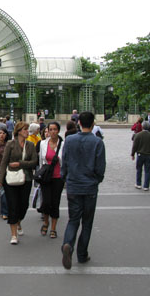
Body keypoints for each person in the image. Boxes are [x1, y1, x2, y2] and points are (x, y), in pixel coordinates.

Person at [61, 111, 106, 270]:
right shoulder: (97, 142)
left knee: (73, 219)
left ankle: (67, 244)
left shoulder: (70, 140)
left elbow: (64, 162)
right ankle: (81, 254)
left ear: (79, 123)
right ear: (93, 124)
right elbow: (100, 167)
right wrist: (96, 180)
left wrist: (65, 177)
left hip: (73, 185)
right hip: (89, 186)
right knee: (87, 222)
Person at [0, 122, 38, 244]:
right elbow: (4, 162)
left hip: (27, 178)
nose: (27, 131)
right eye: (25, 129)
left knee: (24, 205)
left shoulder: (30, 145)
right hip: (11, 178)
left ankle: (19, 221)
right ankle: (13, 234)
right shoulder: (10, 144)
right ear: (19, 131)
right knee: (12, 205)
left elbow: (34, 162)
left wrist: (20, 164)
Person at [38, 122, 64, 239]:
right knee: (46, 201)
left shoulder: (63, 144)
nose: (53, 132)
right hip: (46, 177)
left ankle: (53, 228)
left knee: (55, 202)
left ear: (58, 131)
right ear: (47, 131)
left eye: (55, 129)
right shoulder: (43, 143)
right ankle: (46, 222)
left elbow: (65, 161)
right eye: (51, 129)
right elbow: (41, 161)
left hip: (58, 177)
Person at [131, 121, 150, 191]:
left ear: (142, 127)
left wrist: (132, 154)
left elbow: (134, 146)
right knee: (148, 171)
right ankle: (146, 186)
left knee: (139, 169)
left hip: (140, 154)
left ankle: (138, 184)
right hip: (149, 155)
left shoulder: (138, 135)